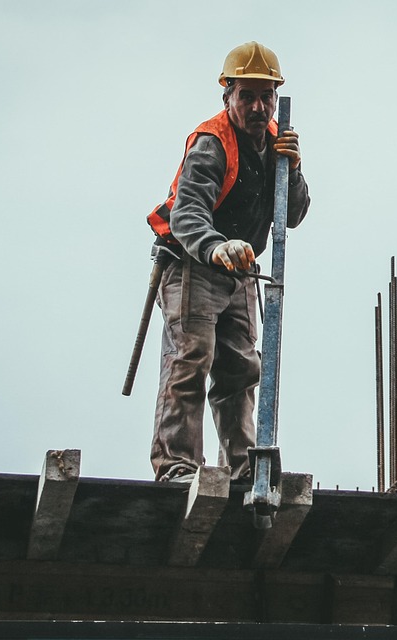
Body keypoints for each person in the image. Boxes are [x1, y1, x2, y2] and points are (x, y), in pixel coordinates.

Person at [144, 41, 310, 483]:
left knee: (240, 368)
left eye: (266, 96)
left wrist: (291, 169)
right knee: (191, 358)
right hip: (193, 264)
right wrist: (215, 245)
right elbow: (187, 211)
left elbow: (291, 214)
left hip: (240, 273)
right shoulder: (212, 143)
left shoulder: (276, 143)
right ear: (228, 96)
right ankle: (178, 467)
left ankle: (242, 470)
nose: (258, 106)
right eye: (247, 96)